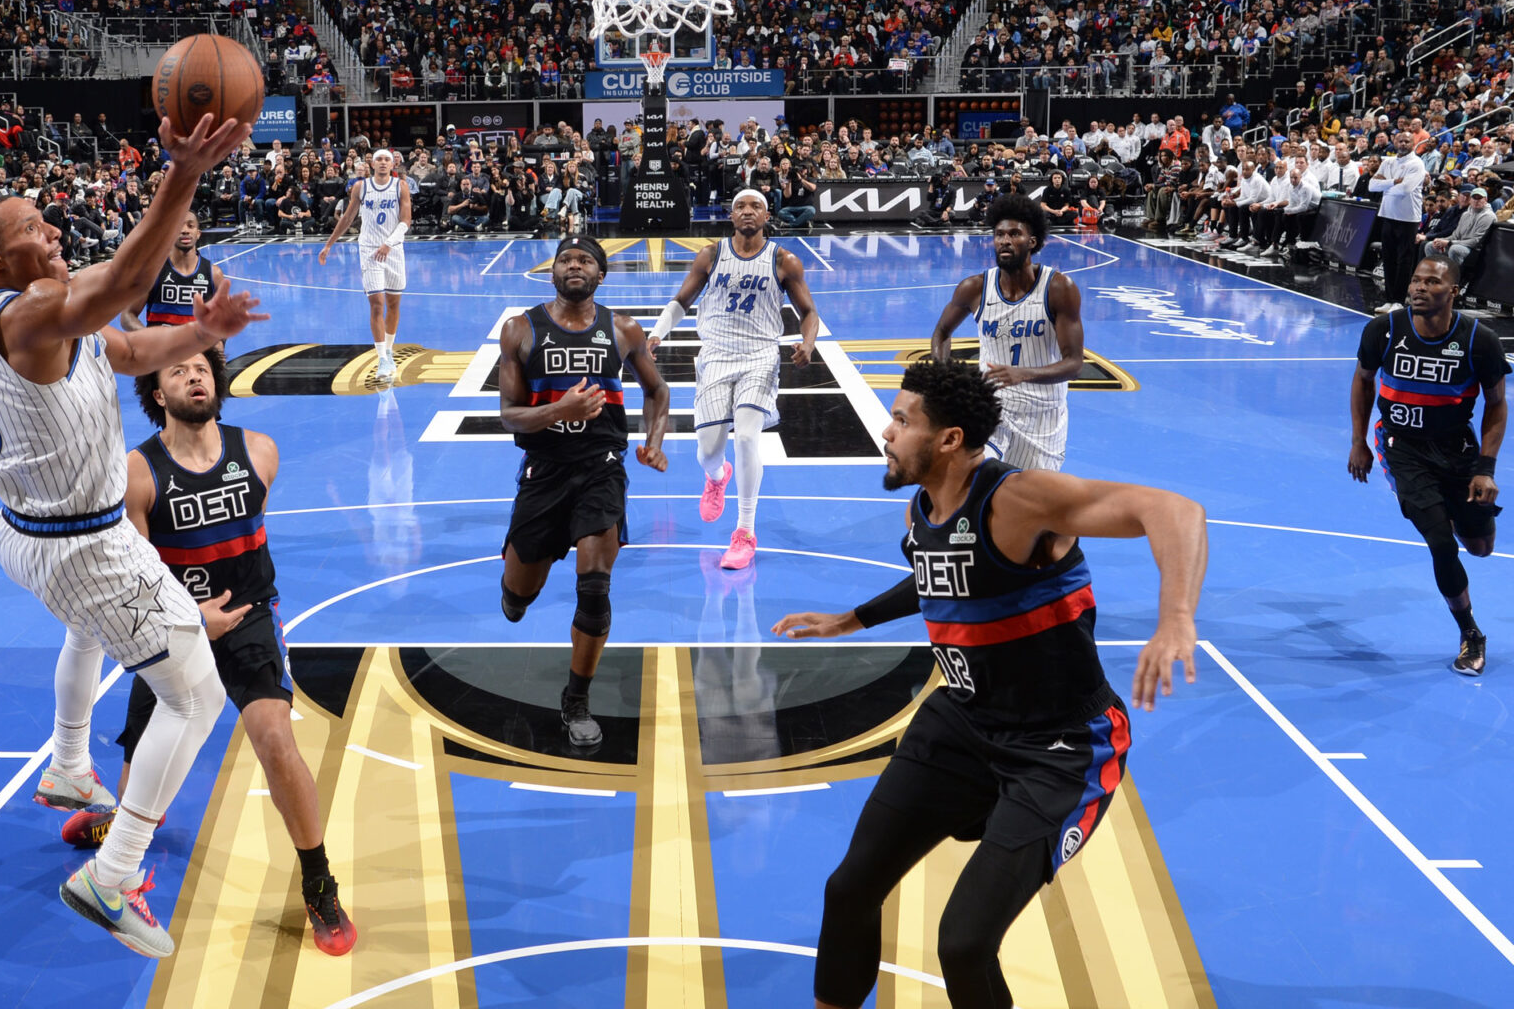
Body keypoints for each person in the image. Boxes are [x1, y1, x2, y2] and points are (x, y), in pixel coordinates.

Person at [772, 357, 1207, 1009]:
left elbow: (1174, 510)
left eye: (901, 421)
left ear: (949, 439)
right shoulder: (922, 509)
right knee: (849, 889)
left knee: (964, 943)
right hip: (963, 723)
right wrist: (852, 619)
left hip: (1060, 746)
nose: (886, 432)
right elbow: (941, 572)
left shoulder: (1017, 499)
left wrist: (1175, 618)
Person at [0, 111, 262, 958]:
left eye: (46, 221)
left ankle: (66, 764)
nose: (51, 231)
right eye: (30, 229)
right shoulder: (28, 317)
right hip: (85, 545)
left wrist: (202, 334)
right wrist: (185, 170)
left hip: (31, 534)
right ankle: (113, 873)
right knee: (195, 696)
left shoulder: (57, 310)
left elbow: (128, 350)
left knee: (87, 632)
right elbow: (129, 279)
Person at [57, 345, 357, 956]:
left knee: (275, 739)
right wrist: (195, 617)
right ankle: (124, 826)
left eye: (201, 368)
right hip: (171, 623)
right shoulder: (138, 472)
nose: (194, 375)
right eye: (178, 370)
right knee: (143, 764)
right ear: (157, 394)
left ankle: (319, 883)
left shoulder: (260, 452)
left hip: (248, 617)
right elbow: (135, 575)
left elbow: (249, 542)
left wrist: (223, 613)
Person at [497, 236, 670, 745]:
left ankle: (576, 701)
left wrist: (654, 442)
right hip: (544, 470)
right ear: (552, 272)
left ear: (601, 274)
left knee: (594, 586)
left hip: (601, 469)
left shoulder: (623, 329)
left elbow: (657, 390)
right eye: (566, 259)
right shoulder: (520, 329)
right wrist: (560, 410)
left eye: (585, 260)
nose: (575, 265)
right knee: (518, 596)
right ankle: (516, 589)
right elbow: (510, 416)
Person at [647, 189, 820, 569]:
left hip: (760, 356)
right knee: (709, 451)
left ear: (767, 215)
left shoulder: (784, 261)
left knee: (745, 437)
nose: (747, 211)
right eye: (740, 206)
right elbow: (681, 301)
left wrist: (808, 343)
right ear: (731, 215)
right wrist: (657, 333)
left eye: (755, 206)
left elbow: (809, 312)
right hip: (715, 356)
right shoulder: (711, 255)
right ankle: (716, 476)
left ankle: (744, 532)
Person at [1349, 254, 1503, 676]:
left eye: (1431, 282)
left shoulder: (1479, 340)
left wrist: (1486, 468)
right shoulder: (1383, 330)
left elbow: (1496, 404)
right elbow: (1363, 380)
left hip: (1457, 452)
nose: (1419, 288)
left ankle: (1450, 510)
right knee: (1441, 543)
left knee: (1481, 548)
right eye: (1416, 280)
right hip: (1402, 449)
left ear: (1453, 291)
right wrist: (1358, 442)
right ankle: (1470, 632)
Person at [929, 194, 1084, 471]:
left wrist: (1023, 373)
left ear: (1032, 241)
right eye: (999, 234)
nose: (1005, 240)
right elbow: (941, 332)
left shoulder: (1059, 289)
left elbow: (1074, 364)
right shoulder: (975, 288)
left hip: (1042, 415)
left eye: (1014, 234)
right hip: (991, 407)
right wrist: (943, 376)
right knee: (971, 477)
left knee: (1028, 494)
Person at [318, 148, 411, 382]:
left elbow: (406, 221)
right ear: (372, 164)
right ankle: (382, 358)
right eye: (379, 159)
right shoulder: (361, 187)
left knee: (393, 304)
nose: (383, 162)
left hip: (393, 250)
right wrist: (329, 244)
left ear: (392, 164)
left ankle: (389, 350)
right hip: (369, 250)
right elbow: (348, 217)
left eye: (386, 159)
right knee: (377, 304)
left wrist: (389, 243)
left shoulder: (400, 186)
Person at [121, 210, 222, 332]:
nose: (185, 230)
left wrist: (219, 341)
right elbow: (128, 315)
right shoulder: (153, 272)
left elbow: (223, 318)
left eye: (190, 226)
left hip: (198, 344)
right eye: (179, 225)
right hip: (160, 344)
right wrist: (150, 338)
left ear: (198, 233)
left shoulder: (214, 274)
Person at [1369, 141, 1427, 314]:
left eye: (1406, 141)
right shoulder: (1388, 162)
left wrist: (1385, 186)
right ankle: (1389, 300)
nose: (1403, 143)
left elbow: (1405, 189)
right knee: (1388, 258)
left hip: (1408, 217)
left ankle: (1399, 301)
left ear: (1412, 144)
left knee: (1404, 260)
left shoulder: (1416, 163)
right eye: (1400, 140)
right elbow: (1372, 186)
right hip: (1388, 214)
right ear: (1395, 143)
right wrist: (1394, 181)